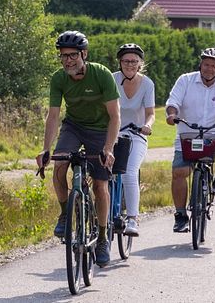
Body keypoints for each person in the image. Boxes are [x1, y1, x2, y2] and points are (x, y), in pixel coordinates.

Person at [36, 30, 120, 267]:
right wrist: (46, 149)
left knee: (101, 185)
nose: (67, 61)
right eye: (63, 56)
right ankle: (65, 214)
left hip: (101, 129)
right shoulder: (58, 78)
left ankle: (103, 238)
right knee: (59, 165)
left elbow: (115, 116)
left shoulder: (101, 74)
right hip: (74, 127)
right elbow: (53, 116)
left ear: (84, 54)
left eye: (72, 55)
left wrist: (108, 148)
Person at [165, 48, 215, 233]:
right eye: (206, 64)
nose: (209, 69)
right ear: (201, 64)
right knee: (179, 172)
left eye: (213, 66)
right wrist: (172, 114)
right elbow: (173, 101)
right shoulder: (185, 80)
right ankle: (181, 215)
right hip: (188, 135)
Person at [112, 43, 155, 237]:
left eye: (134, 61)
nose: (130, 65)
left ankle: (132, 218)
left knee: (129, 173)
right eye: (126, 61)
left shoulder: (147, 83)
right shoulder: (111, 80)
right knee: (103, 175)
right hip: (113, 134)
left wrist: (147, 125)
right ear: (120, 62)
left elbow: (151, 113)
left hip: (136, 135)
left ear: (140, 64)